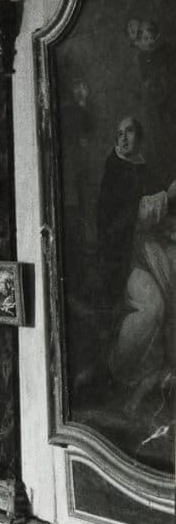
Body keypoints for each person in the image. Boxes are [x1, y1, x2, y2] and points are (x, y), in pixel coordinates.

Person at [96, 116, 176, 414]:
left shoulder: (144, 169)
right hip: (123, 260)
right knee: (154, 307)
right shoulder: (114, 172)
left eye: (128, 132)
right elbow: (133, 217)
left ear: (139, 137)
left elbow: (160, 218)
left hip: (151, 251)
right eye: (118, 133)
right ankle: (119, 369)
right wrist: (166, 197)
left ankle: (154, 377)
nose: (122, 138)